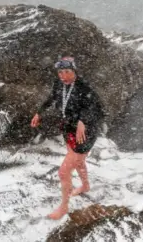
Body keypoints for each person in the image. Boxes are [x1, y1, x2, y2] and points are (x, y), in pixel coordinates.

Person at [30, 55, 104, 220]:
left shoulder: (84, 87)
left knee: (64, 172)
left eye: (67, 71)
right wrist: (39, 112)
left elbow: (96, 108)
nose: (63, 75)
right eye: (60, 72)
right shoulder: (59, 84)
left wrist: (83, 121)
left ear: (74, 71)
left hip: (85, 132)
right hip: (68, 127)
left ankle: (63, 207)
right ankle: (85, 185)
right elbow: (51, 98)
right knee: (78, 161)